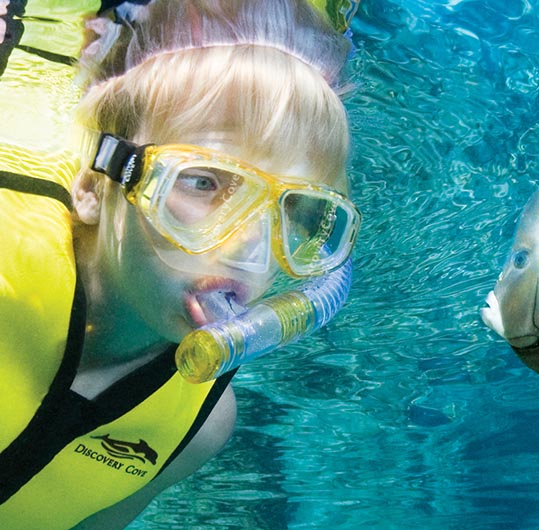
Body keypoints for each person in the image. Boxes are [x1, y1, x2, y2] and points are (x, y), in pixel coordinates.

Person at [0, 1, 358, 528]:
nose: (248, 247)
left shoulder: (203, 425)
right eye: (204, 182)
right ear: (96, 186)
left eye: (294, 209)